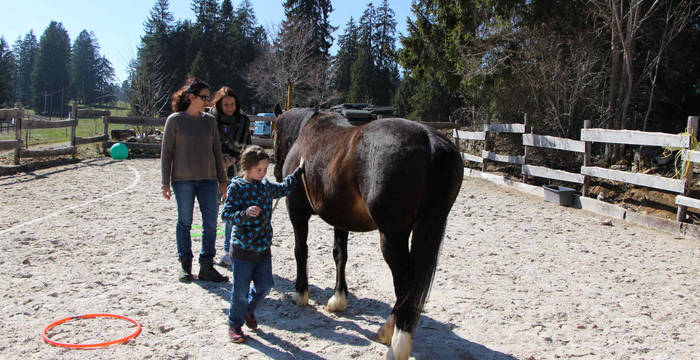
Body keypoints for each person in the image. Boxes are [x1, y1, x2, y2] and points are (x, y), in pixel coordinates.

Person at [220, 145, 304, 343]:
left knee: (265, 286)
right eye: (259, 170)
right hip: (242, 249)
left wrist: (298, 170)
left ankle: (248, 310)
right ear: (247, 167)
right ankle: (234, 325)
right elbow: (226, 215)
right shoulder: (236, 188)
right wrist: (245, 214)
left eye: (265, 169)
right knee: (240, 291)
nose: (263, 173)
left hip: (263, 247)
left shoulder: (265, 186)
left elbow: (285, 187)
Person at [161, 77, 229, 283]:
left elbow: (217, 152)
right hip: (183, 180)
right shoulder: (174, 120)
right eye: (204, 97)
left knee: (210, 223)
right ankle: (185, 264)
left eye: (208, 97)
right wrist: (165, 182)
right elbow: (167, 153)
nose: (208, 101)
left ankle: (207, 266)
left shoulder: (210, 121)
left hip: (208, 180)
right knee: (185, 222)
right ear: (191, 97)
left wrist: (222, 180)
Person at [209, 86, 252, 267]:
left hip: (236, 171)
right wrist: (220, 159)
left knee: (232, 213)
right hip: (213, 170)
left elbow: (247, 147)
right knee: (211, 213)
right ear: (219, 104)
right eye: (226, 104)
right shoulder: (210, 120)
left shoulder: (243, 121)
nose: (229, 108)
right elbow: (205, 144)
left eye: (232, 104)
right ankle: (208, 252)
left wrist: (237, 159)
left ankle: (229, 251)